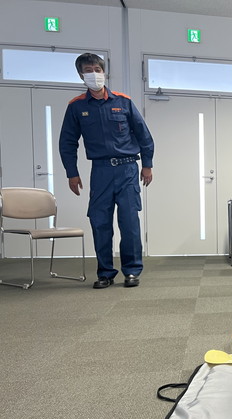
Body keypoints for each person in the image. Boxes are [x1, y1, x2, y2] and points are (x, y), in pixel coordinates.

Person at [59, 52, 154, 289]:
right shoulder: (76, 107)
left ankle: (132, 271)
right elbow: (67, 142)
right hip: (100, 171)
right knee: (99, 222)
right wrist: (72, 173)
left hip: (127, 169)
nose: (94, 74)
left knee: (129, 222)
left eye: (97, 70)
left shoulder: (123, 102)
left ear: (104, 72)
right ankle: (105, 273)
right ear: (81, 75)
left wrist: (147, 165)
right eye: (88, 70)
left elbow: (144, 135)